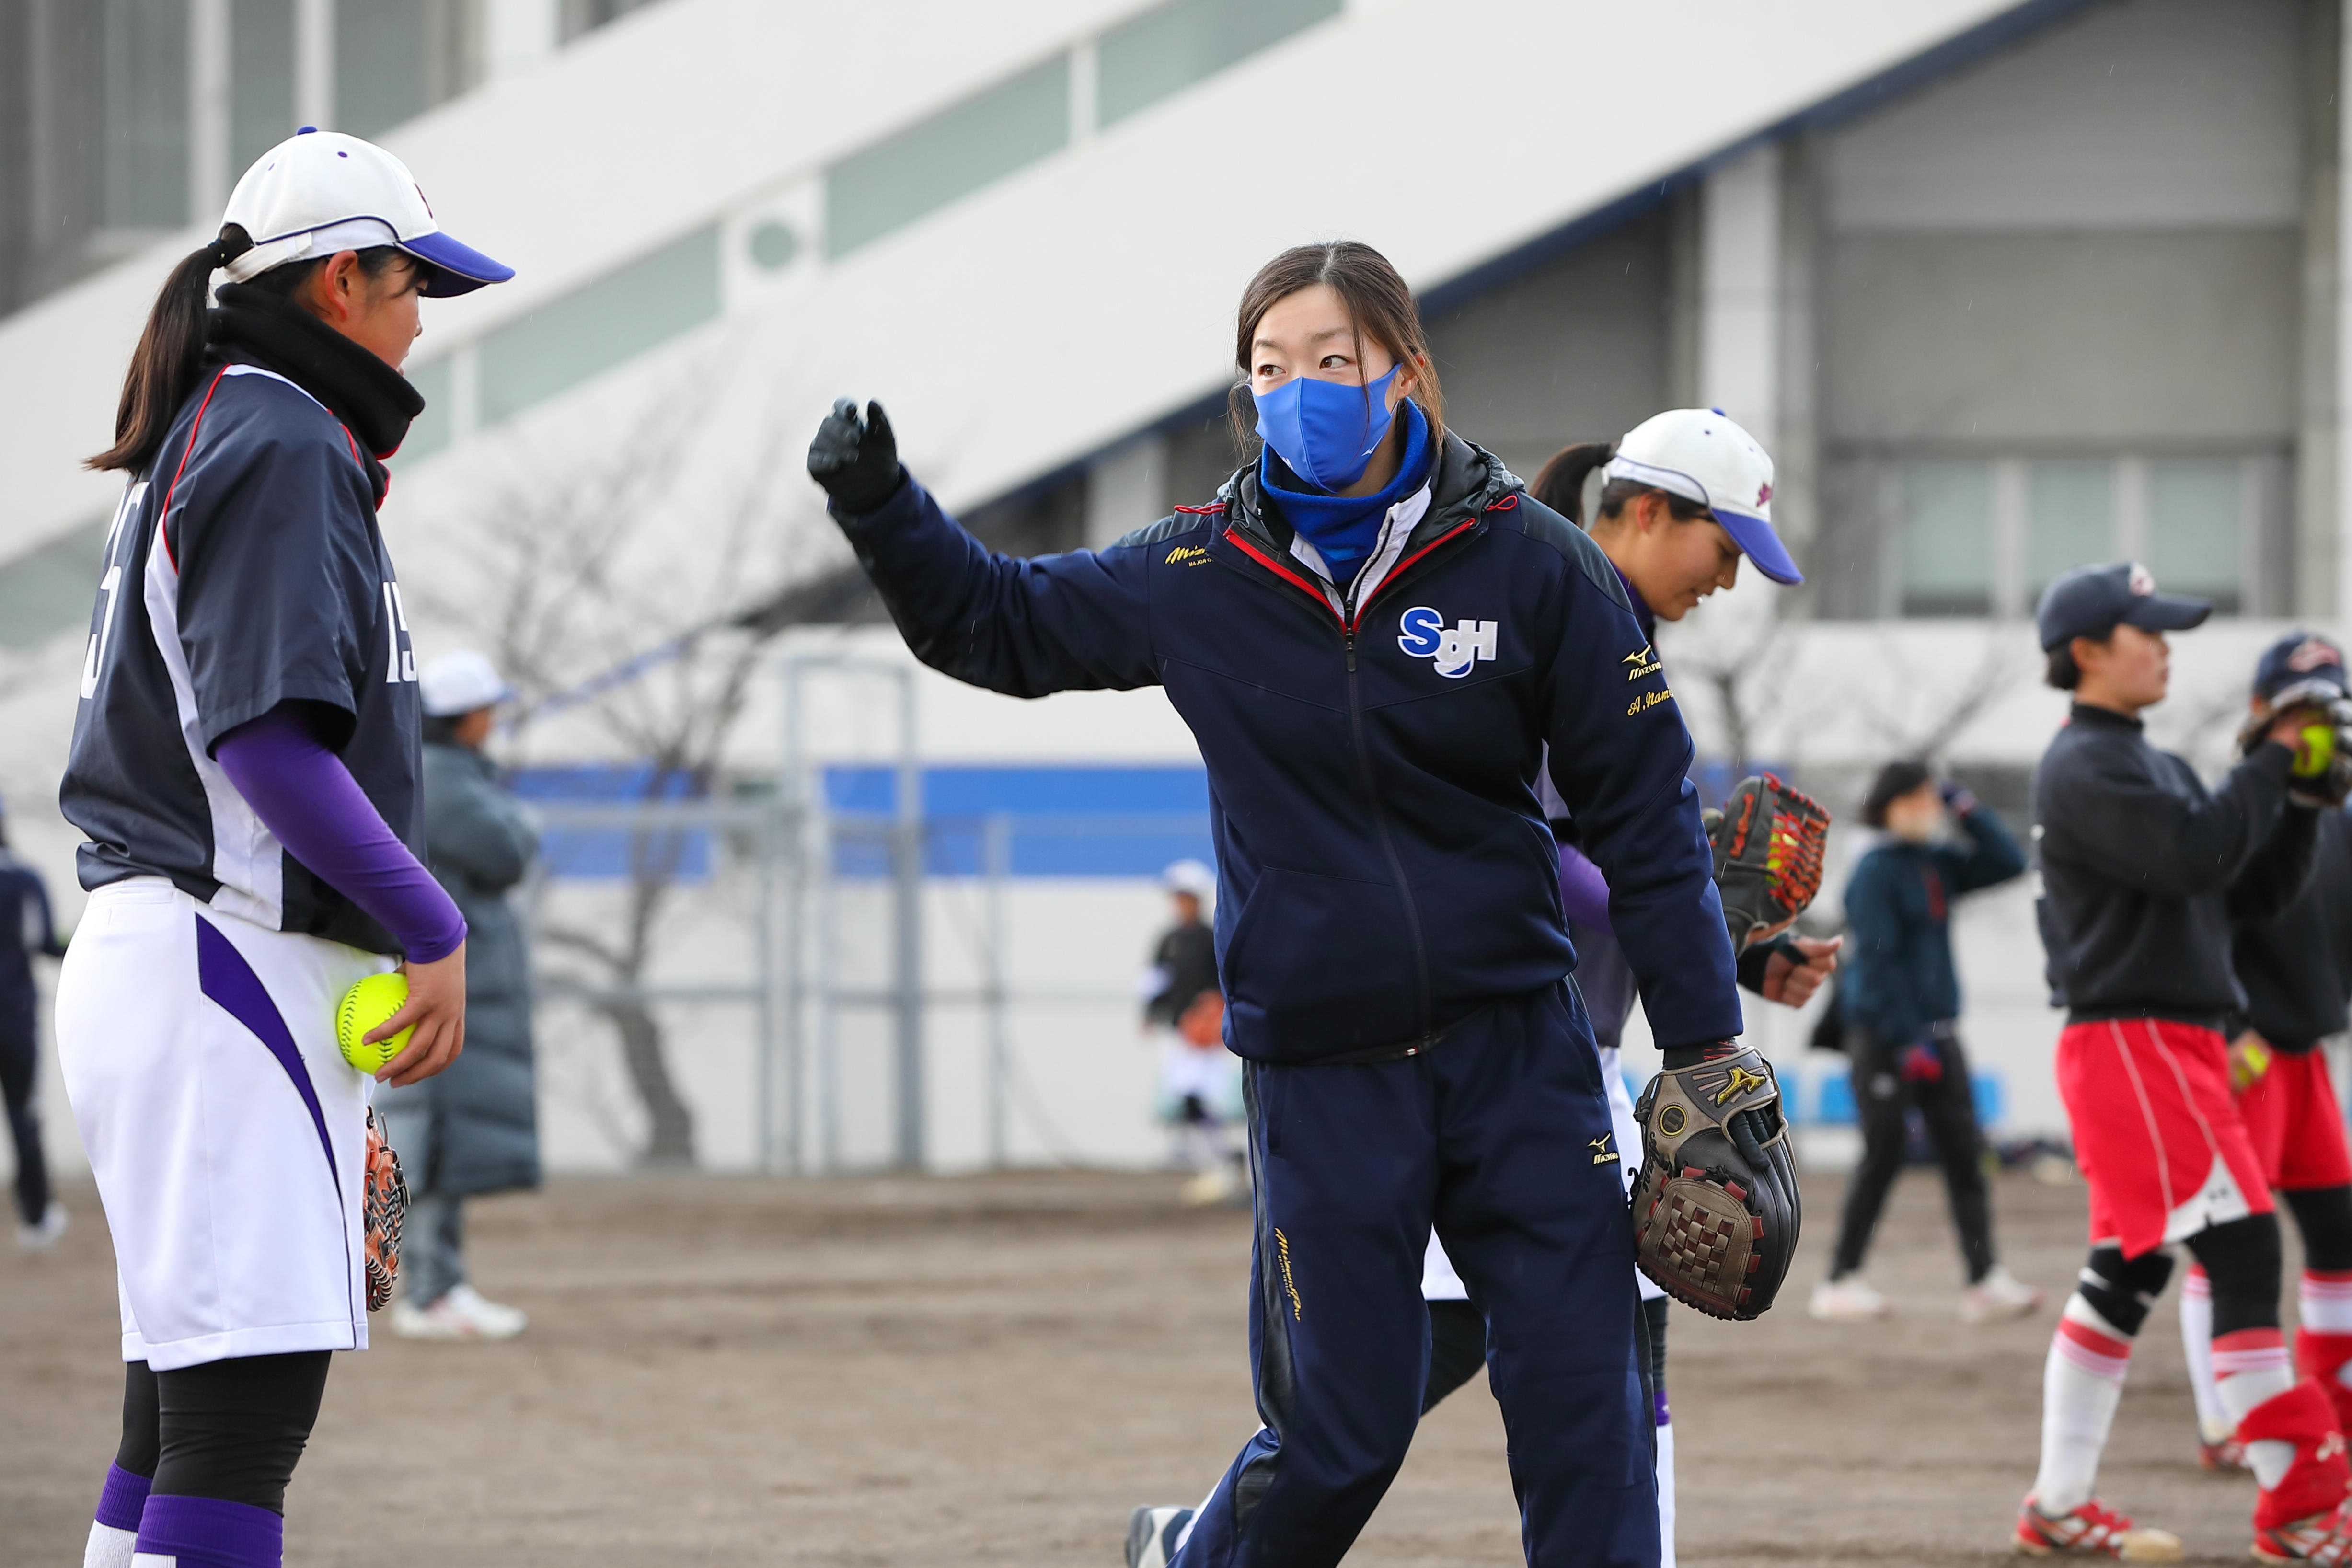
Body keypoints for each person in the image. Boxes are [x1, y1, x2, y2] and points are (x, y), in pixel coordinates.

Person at [810, 240, 1764, 1568]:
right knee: (1336, 1435)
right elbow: (998, 624)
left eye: (1334, 362)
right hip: (1323, 1070)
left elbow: (1647, 822)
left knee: (1583, 1420)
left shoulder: (1533, 564)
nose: (1301, 389)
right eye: (1271, 368)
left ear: (1405, 373)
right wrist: (881, 507)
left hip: (1518, 1050)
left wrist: (1707, 1049)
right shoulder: (1194, 574)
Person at [54, 127, 509, 1568]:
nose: (420, 313)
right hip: (221, 958)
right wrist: (429, 924)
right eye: (407, 278)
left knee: (177, 1418)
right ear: (338, 284)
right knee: (239, 1428)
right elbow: (261, 744)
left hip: (178, 954)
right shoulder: (279, 433)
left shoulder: (224, 421)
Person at [1410, 415, 1842, 1568]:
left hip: (1567, 1061)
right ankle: (1220, 1531)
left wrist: (1736, 946)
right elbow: (1529, 855)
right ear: (1646, 512)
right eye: (1726, 541)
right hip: (1499, 1059)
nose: (1733, 575)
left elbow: (1609, 867)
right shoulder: (1550, 631)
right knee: (1416, 1367)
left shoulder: (1622, 651)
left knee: (1591, 1342)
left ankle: (1216, 1529)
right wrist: (1689, 878)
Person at [2019, 563, 2340, 1563]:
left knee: (2127, 1269)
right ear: (2087, 652)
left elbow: (2239, 895)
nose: (2164, 645)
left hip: (2163, 1040)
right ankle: (2301, 1506)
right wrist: (2271, 758)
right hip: (2140, 1041)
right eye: (2146, 631)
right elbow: (2198, 857)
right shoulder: (2085, 766)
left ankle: (2059, 1503)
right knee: (2244, 1255)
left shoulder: (2141, 761)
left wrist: (2295, 799)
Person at [2179, 633, 2352, 1473]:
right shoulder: (2234, 808)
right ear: (2260, 712)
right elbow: (2202, 929)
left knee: (2336, 1231)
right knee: (2227, 1240)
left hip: (2305, 1054)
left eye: (2330, 702)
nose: (2316, 720)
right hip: (2241, 1053)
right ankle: (2224, 1422)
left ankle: (2334, 1401)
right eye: (2298, 703)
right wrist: (2228, 1031)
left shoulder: (2336, 819)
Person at [1810, 760, 2038, 1325]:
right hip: (1885, 1037)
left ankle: (1984, 1279)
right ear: (1887, 805)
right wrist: (1908, 1040)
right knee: (1883, 1154)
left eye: (1930, 798)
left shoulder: (1934, 863)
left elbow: (2009, 862)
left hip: (1941, 1034)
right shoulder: (1874, 871)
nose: (1926, 808)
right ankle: (1840, 1278)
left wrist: (1967, 806)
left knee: (1966, 1155)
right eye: (1914, 798)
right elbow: (1876, 966)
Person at [381, 650, 542, 1341]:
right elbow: (511, 846)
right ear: (465, 718)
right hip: (447, 979)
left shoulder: (436, 773)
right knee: (437, 1138)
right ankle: (432, 1290)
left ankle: (440, 1284)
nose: (495, 720)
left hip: (454, 976)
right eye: (488, 709)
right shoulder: (445, 780)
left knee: (442, 1139)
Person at [1141, 858, 1238, 1202]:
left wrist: (1215, 1015)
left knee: (1201, 1099)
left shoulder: (1209, 938)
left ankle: (1222, 1167)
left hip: (1203, 1035)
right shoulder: (1169, 939)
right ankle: (1215, 1165)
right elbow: (1156, 980)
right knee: (1188, 1100)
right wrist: (1150, 1012)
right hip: (1180, 1032)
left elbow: (1222, 986)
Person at [0, 797, 69, 1250]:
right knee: (24, 1115)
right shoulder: (23, 880)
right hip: (15, 1016)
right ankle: (37, 1217)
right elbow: (45, 942)